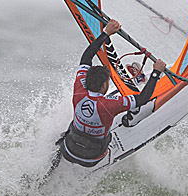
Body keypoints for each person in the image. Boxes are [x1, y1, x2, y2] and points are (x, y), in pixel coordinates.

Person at [56, 19, 166, 168]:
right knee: (123, 112)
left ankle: (57, 158)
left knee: (73, 126)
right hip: (92, 159)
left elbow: (86, 58)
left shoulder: (78, 90)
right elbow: (143, 99)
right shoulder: (111, 104)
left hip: (68, 150)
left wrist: (105, 33)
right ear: (103, 87)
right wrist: (156, 73)